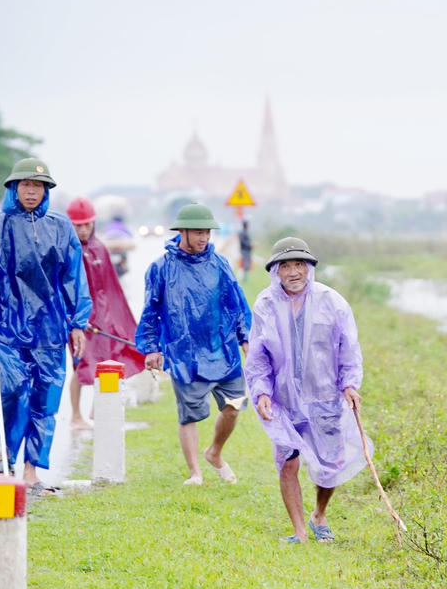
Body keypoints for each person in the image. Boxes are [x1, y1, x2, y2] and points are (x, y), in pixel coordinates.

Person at [0, 157, 92, 493]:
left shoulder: (61, 227)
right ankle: (6, 451)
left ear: (47, 189)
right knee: (12, 390)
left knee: (44, 399)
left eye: (38, 185)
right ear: (14, 188)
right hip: (8, 326)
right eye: (25, 184)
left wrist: (77, 323)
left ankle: (31, 470)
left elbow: (74, 279)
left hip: (50, 329)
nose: (31, 191)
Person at [245, 237, 369, 543]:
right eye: (284, 265)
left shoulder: (333, 302)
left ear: (309, 267)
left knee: (330, 465)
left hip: (324, 396)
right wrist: (262, 392)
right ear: (275, 271)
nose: (293, 271)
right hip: (283, 400)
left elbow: (348, 349)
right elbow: (258, 355)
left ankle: (319, 514)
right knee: (288, 461)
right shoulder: (265, 304)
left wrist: (350, 385)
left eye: (299, 264)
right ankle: (299, 531)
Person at [136, 203, 251, 485]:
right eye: (198, 233)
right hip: (184, 351)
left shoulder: (220, 264)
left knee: (234, 405)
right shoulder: (161, 268)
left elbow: (235, 303)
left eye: (207, 233)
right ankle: (195, 473)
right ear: (183, 232)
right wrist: (152, 347)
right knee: (189, 413)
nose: (203, 239)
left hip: (222, 348)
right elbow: (150, 310)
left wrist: (245, 338)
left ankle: (214, 452)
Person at [65, 196, 146, 429]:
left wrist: (114, 317)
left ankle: (97, 411)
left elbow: (110, 287)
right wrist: (76, 319)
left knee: (108, 360)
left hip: (102, 318)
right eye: (77, 225)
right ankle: (76, 415)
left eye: (86, 224)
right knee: (80, 365)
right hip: (79, 321)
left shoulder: (99, 247)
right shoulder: (66, 250)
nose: (83, 229)